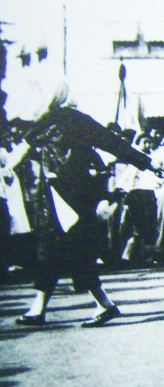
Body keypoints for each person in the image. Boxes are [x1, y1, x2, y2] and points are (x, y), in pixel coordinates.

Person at [14, 82, 152, 328]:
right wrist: (144, 161)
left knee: (66, 250)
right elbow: (112, 142)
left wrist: (144, 161)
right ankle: (40, 309)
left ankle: (102, 305)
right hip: (68, 196)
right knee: (56, 251)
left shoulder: (53, 121)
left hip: (67, 198)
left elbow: (27, 145)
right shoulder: (70, 120)